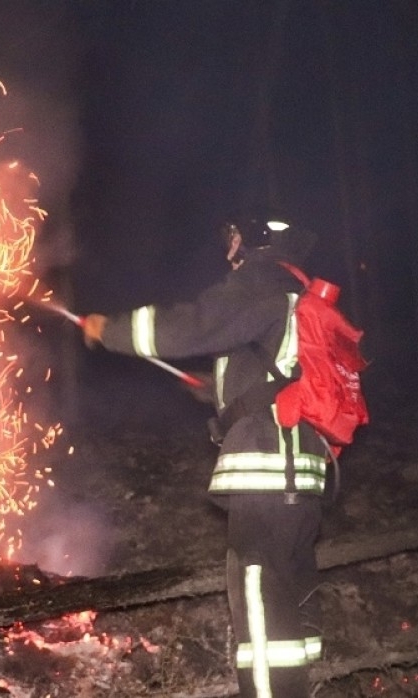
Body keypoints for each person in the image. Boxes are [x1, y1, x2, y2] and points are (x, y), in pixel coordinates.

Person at [82, 215, 328, 698]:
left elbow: (191, 326)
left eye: (234, 235)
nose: (228, 247)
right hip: (301, 468)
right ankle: (307, 687)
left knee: (259, 599)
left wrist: (111, 330)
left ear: (258, 237)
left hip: (268, 466)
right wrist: (218, 395)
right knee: (288, 591)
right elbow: (278, 374)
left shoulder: (261, 278)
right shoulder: (297, 290)